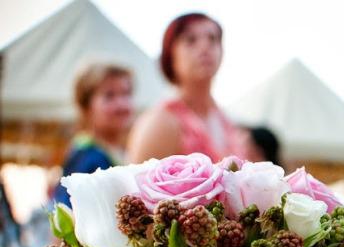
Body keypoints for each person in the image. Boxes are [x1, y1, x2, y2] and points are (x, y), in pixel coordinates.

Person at [128, 13, 243, 163]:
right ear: (171, 55)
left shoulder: (226, 121)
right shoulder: (161, 122)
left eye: (213, 39)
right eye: (190, 40)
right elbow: (139, 177)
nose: (205, 47)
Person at [52, 63, 133, 207]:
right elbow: (69, 208)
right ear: (87, 106)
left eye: (126, 94)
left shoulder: (119, 151)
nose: (121, 104)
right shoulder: (87, 155)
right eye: (109, 96)